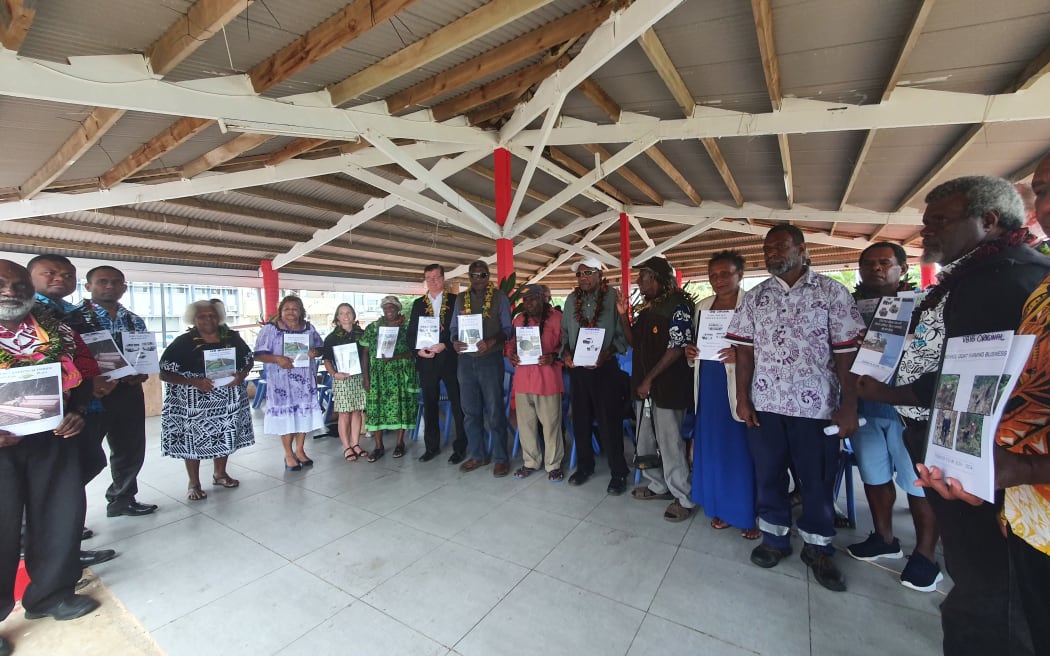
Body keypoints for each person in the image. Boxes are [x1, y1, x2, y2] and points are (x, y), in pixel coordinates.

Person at [857, 175, 1050, 655]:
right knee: (980, 584)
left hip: (976, 459)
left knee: (989, 596)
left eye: (939, 221)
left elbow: (973, 378)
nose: (927, 231)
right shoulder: (978, 274)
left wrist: (890, 393)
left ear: (988, 220)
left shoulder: (1004, 279)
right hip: (954, 447)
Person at [727, 224, 864, 592]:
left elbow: (847, 355)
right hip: (766, 404)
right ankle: (774, 538)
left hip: (817, 407)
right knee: (768, 475)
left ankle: (819, 548)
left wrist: (849, 405)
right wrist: (742, 398)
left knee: (816, 480)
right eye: (767, 248)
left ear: (802, 249)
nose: (771, 253)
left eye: (780, 246)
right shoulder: (756, 297)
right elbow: (744, 352)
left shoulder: (832, 292)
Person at [0, 260, 101, 651]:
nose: (11, 291)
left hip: (54, 438)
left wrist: (79, 411)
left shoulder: (60, 331)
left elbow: (86, 374)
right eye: (2, 284)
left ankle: (51, 595)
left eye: (19, 285)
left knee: (59, 517)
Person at [845, 242, 941, 592]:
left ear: (903, 268)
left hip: (910, 409)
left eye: (885, 262)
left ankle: (925, 556)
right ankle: (884, 538)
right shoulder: (850, 308)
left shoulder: (927, 306)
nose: (876, 268)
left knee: (918, 482)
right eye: (869, 263)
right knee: (874, 476)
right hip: (866, 406)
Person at [27, 255, 116, 568]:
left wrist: (99, 381)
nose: (59, 279)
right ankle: (43, 543)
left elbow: (88, 355)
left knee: (85, 465)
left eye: (67, 275)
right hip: (39, 415)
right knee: (51, 481)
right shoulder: (24, 314)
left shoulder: (72, 313)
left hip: (81, 404)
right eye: (50, 273)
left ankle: (62, 533)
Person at [683, 251, 759, 540]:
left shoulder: (752, 304)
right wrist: (691, 353)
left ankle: (748, 513)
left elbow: (770, 345)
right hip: (709, 384)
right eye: (713, 275)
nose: (719, 280)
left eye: (725, 273)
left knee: (741, 452)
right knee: (714, 448)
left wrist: (743, 355)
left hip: (740, 386)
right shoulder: (702, 306)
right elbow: (698, 345)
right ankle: (721, 507)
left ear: (740, 274)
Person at [617, 257, 696, 522]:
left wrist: (649, 379)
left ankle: (683, 497)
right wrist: (622, 315)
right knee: (646, 439)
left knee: (670, 443)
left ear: (656, 278)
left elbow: (676, 348)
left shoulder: (679, 305)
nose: (638, 282)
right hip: (645, 388)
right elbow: (634, 342)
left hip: (667, 388)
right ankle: (658, 485)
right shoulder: (649, 308)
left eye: (642, 277)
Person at [159, 301, 255, 500]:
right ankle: (194, 483)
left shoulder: (232, 338)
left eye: (212, 315)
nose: (208, 319)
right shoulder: (183, 342)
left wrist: (242, 375)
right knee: (193, 441)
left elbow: (249, 359)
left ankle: (220, 474)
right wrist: (193, 381)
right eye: (202, 316)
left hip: (227, 400)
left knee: (225, 435)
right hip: (194, 403)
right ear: (193, 319)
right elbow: (164, 373)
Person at [83, 266, 158, 518]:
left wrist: (142, 372)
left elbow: (143, 355)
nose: (109, 286)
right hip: (89, 395)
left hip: (128, 391)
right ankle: (68, 514)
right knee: (84, 455)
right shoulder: (75, 318)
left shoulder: (134, 319)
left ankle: (122, 499)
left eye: (116, 282)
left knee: (130, 448)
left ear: (124, 288)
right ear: (88, 286)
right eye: (102, 281)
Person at [561, 257, 630, 493]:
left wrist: (606, 353)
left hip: (605, 368)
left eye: (588, 273)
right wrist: (566, 354)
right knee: (580, 419)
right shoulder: (571, 300)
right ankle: (585, 466)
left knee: (609, 422)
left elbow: (622, 336)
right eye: (579, 274)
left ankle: (619, 472)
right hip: (578, 370)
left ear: (600, 274)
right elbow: (564, 334)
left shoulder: (612, 298)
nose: (583, 278)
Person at [451, 260, 513, 476]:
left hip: (490, 360)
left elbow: (508, 329)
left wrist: (492, 341)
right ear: (469, 277)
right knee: (470, 412)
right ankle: (478, 455)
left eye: (482, 275)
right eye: (474, 275)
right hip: (465, 361)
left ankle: (501, 458)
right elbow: (453, 328)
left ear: (488, 276)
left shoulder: (499, 297)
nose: (478, 279)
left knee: (495, 411)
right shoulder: (461, 299)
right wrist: (454, 341)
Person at [253, 295, 324, 472]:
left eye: (294, 309)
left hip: (304, 381)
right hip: (281, 383)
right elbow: (258, 354)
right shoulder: (270, 329)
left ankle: (300, 450)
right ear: (280, 311)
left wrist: (315, 352)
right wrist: (277, 358)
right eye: (286, 309)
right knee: (286, 417)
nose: (291, 312)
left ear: (301, 311)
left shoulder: (308, 328)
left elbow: (320, 347)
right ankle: (288, 454)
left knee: (303, 415)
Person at [407, 264, 467, 463]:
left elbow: (462, 329)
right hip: (427, 362)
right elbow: (411, 333)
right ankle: (431, 447)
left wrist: (445, 345)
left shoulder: (455, 301)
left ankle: (461, 447)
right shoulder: (418, 304)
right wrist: (418, 351)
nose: (432, 281)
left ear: (443, 278)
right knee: (430, 405)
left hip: (450, 360)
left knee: (458, 405)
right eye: (429, 278)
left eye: (436, 277)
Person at [506, 284, 565, 481]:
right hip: (523, 381)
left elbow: (567, 346)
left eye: (532, 299)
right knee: (526, 425)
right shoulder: (518, 320)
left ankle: (554, 465)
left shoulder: (557, 319)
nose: (528, 304)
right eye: (525, 300)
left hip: (548, 381)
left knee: (551, 426)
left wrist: (554, 356)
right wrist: (511, 355)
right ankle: (530, 462)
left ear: (542, 298)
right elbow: (510, 345)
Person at [361, 296, 417, 461]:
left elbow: (414, 351)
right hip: (377, 376)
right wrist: (366, 377)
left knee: (400, 408)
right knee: (376, 410)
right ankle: (378, 446)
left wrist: (396, 357)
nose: (389, 310)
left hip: (399, 374)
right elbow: (365, 353)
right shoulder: (372, 328)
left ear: (398, 309)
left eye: (392, 307)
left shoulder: (406, 328)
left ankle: (400, 443)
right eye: (386, 307)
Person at [321, 303, 369, 462]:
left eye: (348, 312)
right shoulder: (332, 338)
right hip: (342, 378)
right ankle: (347, 447)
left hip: (358, 377)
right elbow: (327, 360)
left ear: (353, 315)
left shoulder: (362, 335)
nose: (345, 316)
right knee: (344, 413)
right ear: (337, 317)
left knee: (357, 411)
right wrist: (335, 374)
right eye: (342, 313)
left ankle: (356, 444)